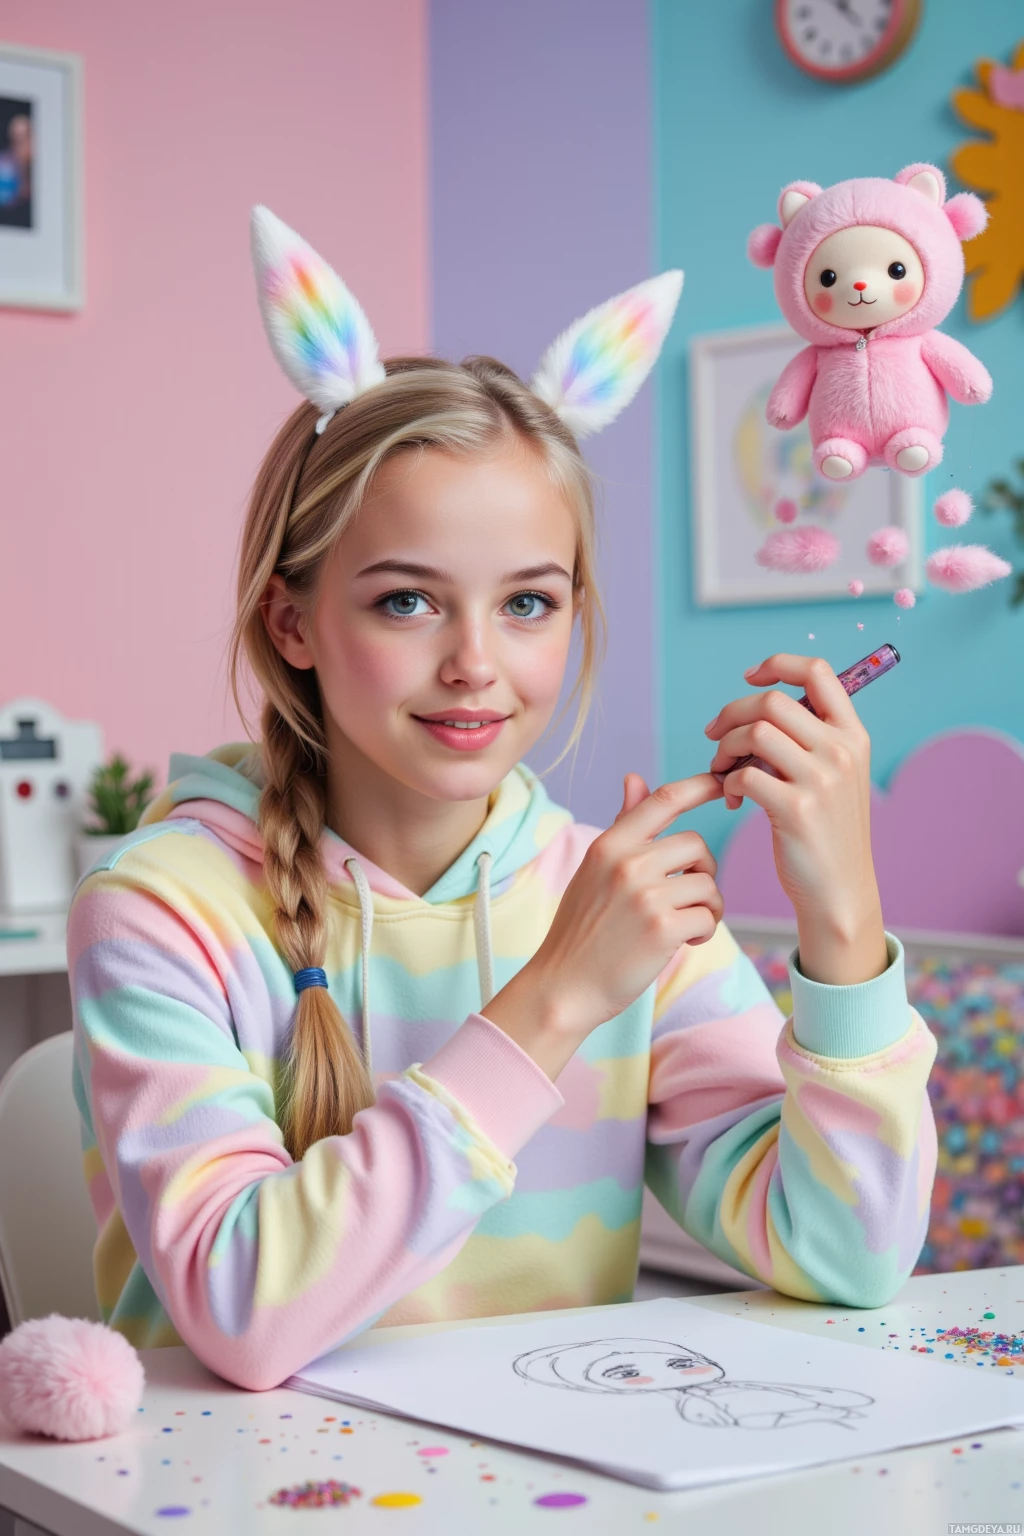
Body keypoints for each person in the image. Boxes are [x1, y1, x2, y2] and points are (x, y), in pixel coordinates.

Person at [67, 207, 936, 1392]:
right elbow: (241, 1310)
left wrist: (843, 927)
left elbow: (847, 1259)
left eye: (527, 603)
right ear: (293, 621)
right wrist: (559, 994)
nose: (477, 662)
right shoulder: (161, 907)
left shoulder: (614, 895)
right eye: (407, 602)